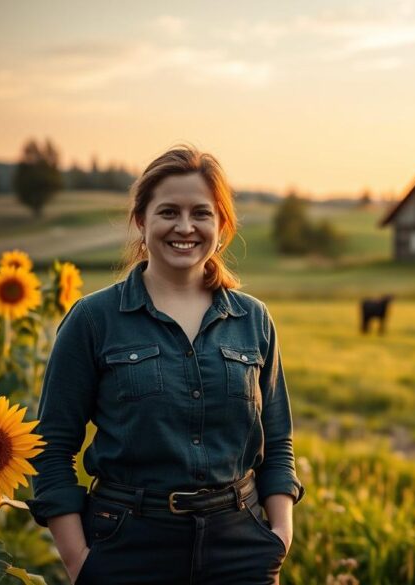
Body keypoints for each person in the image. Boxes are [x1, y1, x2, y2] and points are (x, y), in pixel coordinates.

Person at [28, 145, 304, 585]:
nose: (185, 227)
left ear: (222, 224)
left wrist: (278, 538)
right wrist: (81, 562)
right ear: (141, 220)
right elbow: (50, 447)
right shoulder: (93, 319)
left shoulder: (254, 320)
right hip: (128, 546)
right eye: (168, 212)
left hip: (240, 548)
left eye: (201, 213)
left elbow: (278, 443)